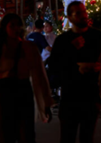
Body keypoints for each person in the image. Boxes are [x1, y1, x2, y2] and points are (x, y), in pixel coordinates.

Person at [49, 0, 101, 143]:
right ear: (69, 17)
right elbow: (54, 67)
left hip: (91, 96)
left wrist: (99, 68)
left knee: (87, 136)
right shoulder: (63, 41)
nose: (83, 15)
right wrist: (72, 54)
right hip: (70, 96)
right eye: (78, 13)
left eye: (84, 12)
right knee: (67, 136)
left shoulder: (99, 38)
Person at [0, 13, 53, 143]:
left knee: (26, 132)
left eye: (18, 25)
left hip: (23, 92)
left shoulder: (29, 47)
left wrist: (46, 102)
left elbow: (40, 75)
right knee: (5, 133)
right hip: (4, 93)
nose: (16, 28)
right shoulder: (2, 48)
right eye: (12, 25)